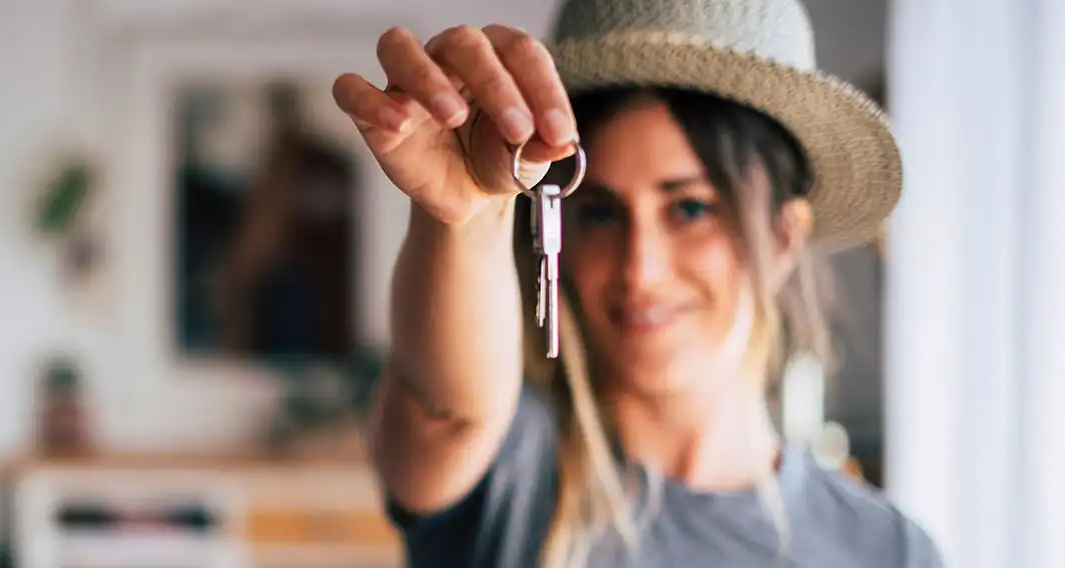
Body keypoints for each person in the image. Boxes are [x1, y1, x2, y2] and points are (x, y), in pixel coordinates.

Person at [332, 0, 944, 566]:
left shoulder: (886, 549)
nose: (639, 270)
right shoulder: (509, 472)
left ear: (783, 236)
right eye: (599, 212)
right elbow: (444, 410)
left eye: (690, 209)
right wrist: (464, 215)